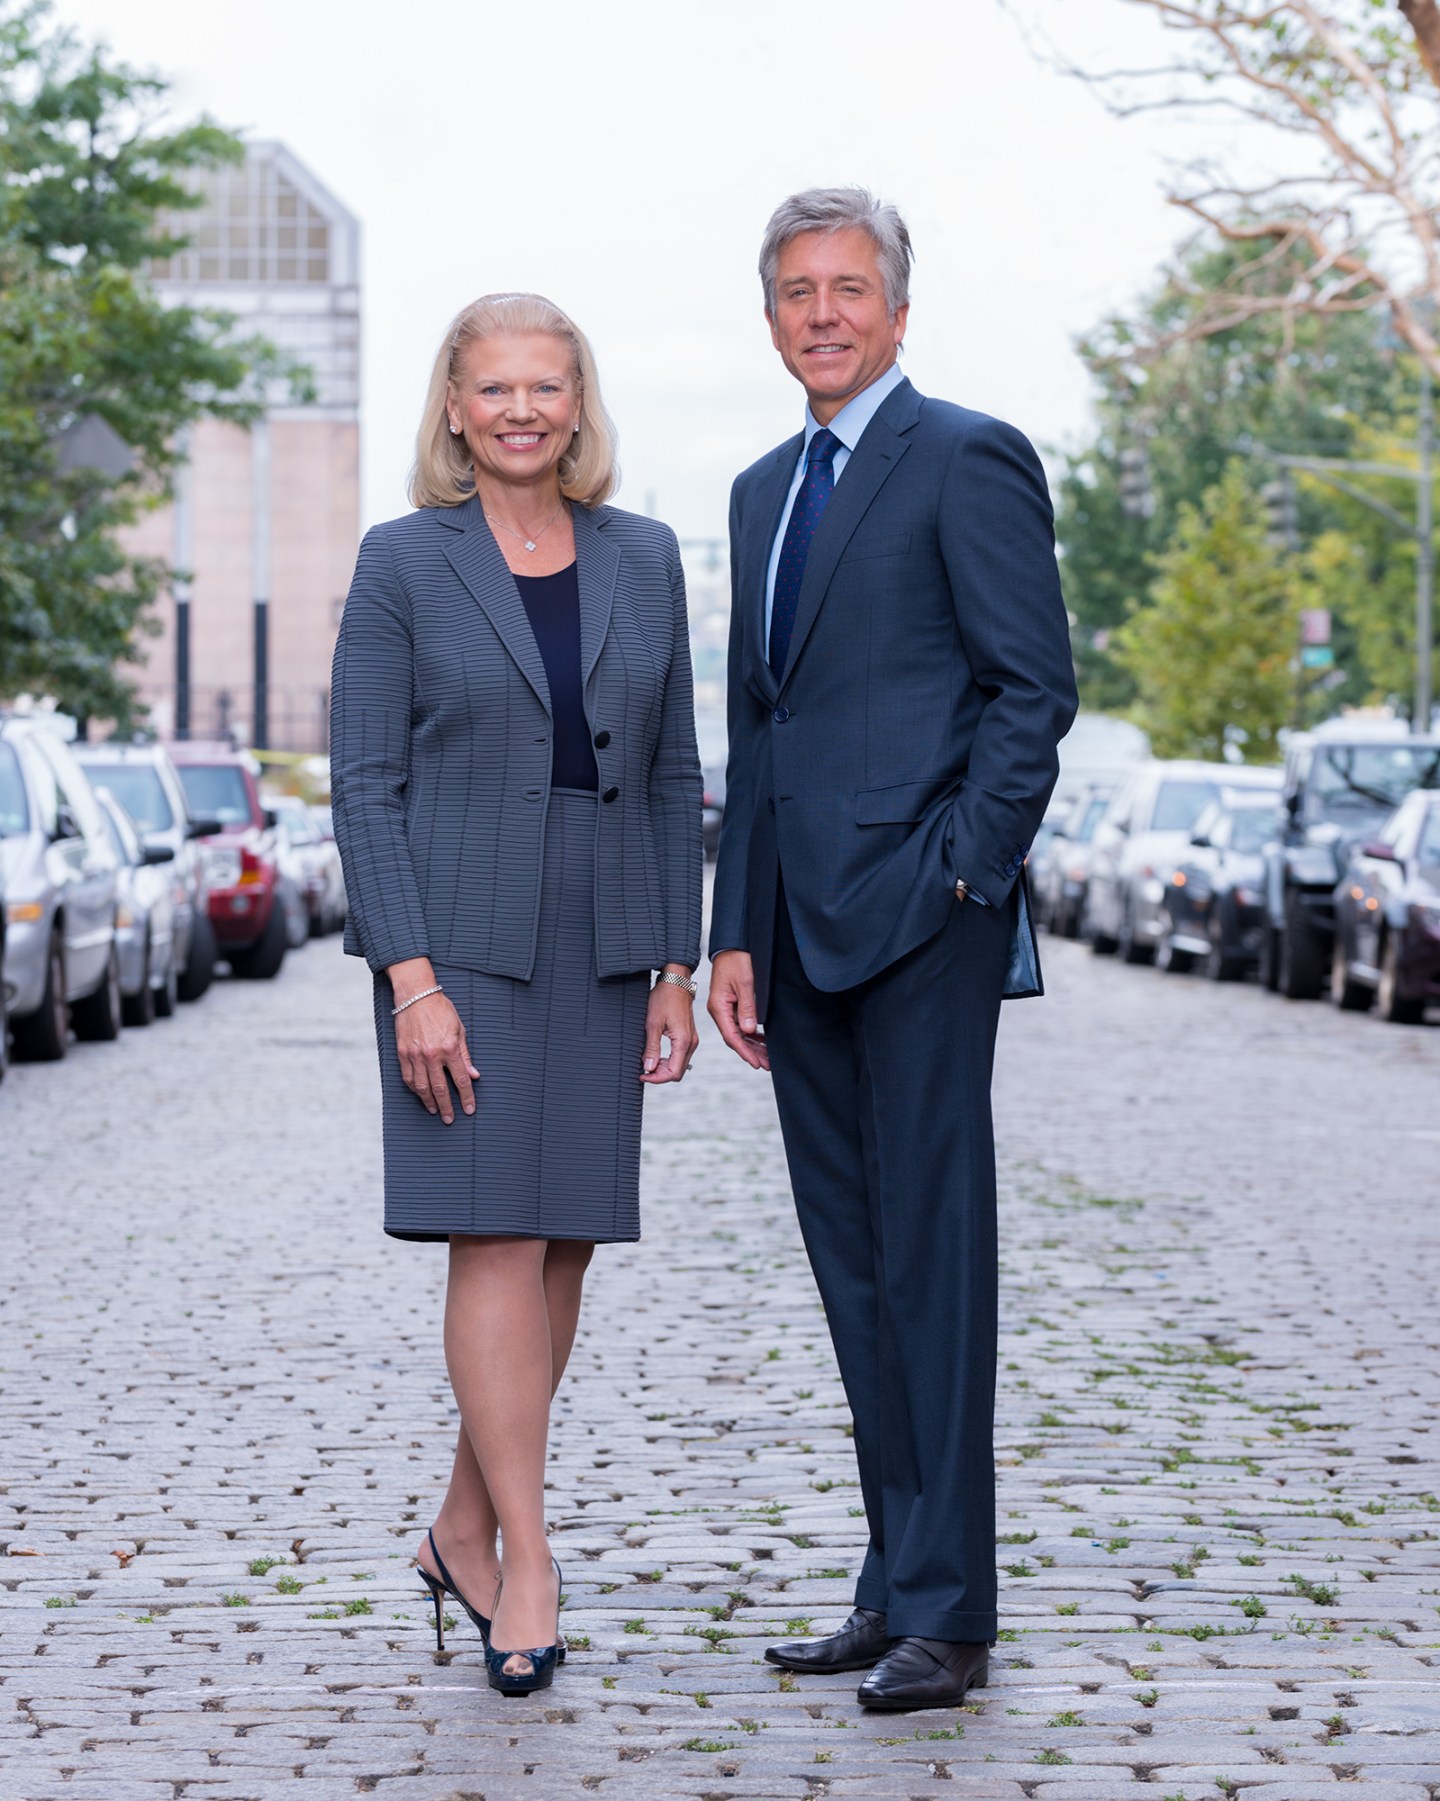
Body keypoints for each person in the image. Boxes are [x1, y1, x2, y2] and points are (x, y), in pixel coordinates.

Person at [708, 190, 1077, 1712]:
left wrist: (966, 874)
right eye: (798, 291)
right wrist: (734, 929)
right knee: (855, 1268)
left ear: (899, 310)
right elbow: (760, 726)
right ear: (771, 317)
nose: (823, 313)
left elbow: (1031, 691)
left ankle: (951, 1608)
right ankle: (893, 1580)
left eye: (849, 287)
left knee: (931, 1261)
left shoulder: (967, 457)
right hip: (797, 937)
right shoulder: (759, 491)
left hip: (925, 924)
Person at [330, 293, 703, 1697]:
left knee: (565, 1248)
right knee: (492, 1238)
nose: (522, 410)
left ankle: (459, 1524)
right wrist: (409, 981)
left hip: (604, 940)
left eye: (546, 385)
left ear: (578, 401)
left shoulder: (645, 554)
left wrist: (675, 961)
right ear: (454, 406)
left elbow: (671, 770)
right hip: (459, 941)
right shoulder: (401, 561)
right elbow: (364, 783)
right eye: (494, 387)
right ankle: (526, 1562)